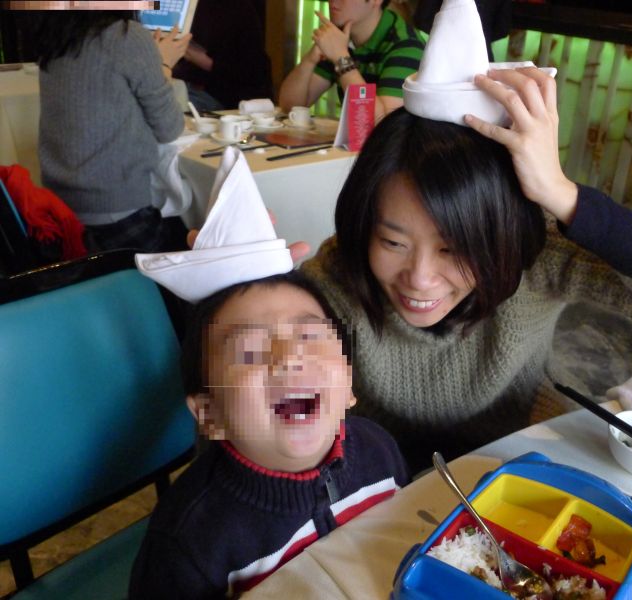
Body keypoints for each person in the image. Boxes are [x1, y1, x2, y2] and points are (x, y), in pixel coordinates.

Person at [297, 67, 632, 473]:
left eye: (455, 249)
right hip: (374, 477)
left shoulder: (536, 256)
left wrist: (565, 196)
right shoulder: (340, 274)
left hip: (515, 458)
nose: (419, 277)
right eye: (393, 242)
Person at [129, 270, 409, 598]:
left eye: (309, 337)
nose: (289, 358)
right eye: (249, 352)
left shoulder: (380, 450)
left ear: (348, 382)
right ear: (210, 414)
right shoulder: (189, 539)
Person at [35, 11, 190, 252]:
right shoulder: (126, 36)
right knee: (198, 232)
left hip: (62, 210)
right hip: (117, 213)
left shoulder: (56, 38)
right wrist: (164, 64)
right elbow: (169, 128)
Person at [278, 0, 425, 120]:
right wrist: (310, 59)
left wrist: (341, 58)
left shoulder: (406, 45)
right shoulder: (340, 37)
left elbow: (382, 124)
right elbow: (291, 106)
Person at [171, 0, 274, 111]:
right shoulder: (175, 4)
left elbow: (252, 71)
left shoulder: (236, 8)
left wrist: (197, 57)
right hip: (182, 85)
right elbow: (152, 5)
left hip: (221, 97)